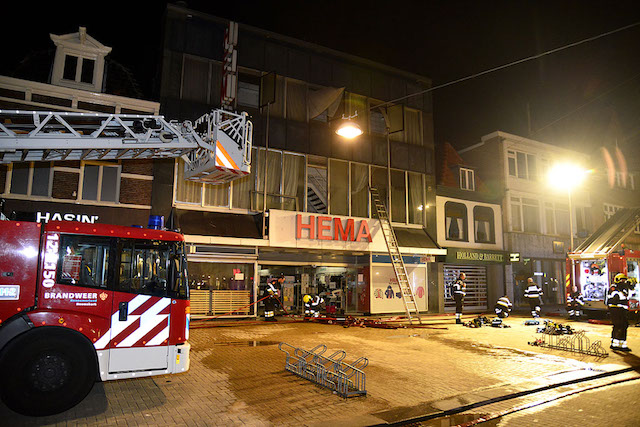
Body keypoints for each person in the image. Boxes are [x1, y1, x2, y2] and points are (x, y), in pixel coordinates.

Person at [607, 273, 632, 351]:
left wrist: (630, 287)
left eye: (625, 280)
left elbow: (628, 296)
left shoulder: (624, 288)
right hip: (616, 310)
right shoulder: (614, 289)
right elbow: (615, 299)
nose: (624, 281)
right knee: (618, 326)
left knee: (624, 326)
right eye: (622, 280)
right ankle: (614, 344)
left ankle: (622, 344)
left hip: (622, 310)